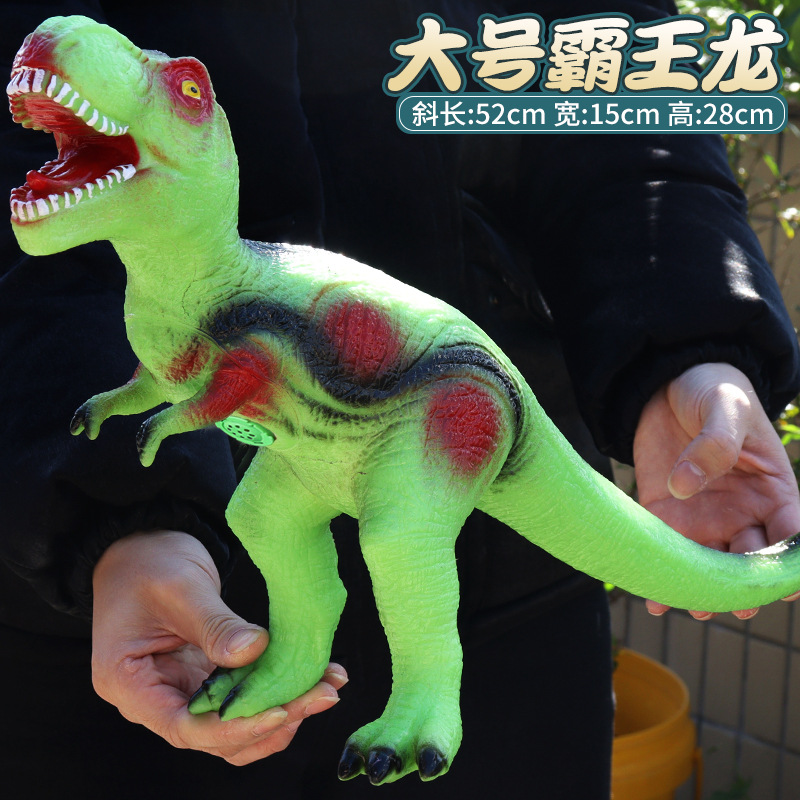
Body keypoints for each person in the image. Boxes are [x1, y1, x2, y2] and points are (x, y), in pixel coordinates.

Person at [1, 1, 799, 797]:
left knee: (396, 534)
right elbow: (162, 360)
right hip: (155, 587)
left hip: (447, 431)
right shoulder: (163, 296)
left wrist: (684, 342)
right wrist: (115, 510)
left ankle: (427, 703)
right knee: (264, 515)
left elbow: (614, 73)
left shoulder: (231, 299)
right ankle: (293, 656)